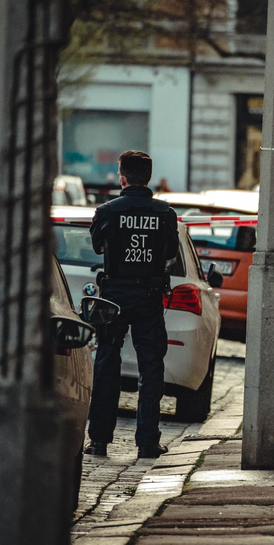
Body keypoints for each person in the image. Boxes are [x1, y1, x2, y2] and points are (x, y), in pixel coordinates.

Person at [85, 150, 180, 458]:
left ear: (122, 177)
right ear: (148, 178)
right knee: (151, 368)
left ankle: (99, 440)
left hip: (114, 295)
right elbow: (169, 255)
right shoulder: (165, 214)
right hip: (149, 297)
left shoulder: (108, 211)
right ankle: (147, 442)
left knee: (106, 363)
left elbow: (98, 246)